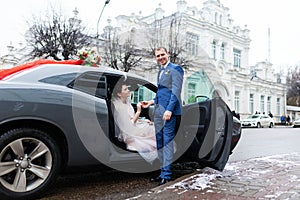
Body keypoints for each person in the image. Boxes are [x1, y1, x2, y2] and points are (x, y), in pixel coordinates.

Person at [142, 47, 184, 186]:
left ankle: (167, 175)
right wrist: (151, 102)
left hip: (168, 113)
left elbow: (175, 92)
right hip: (158, 112)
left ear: (168, 54)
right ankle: (161, 172)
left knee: (167, 143)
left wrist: (169, 110)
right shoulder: (160, 71)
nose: (160, 57)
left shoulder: (176, 69)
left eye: (162, 55)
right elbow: (162, 92)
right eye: (158, 56)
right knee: (159, 143)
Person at [111, 82, 157, 163]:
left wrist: (143, 120)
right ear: (119, 93)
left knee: (151, 125)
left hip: (133, 126)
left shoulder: (126, 102)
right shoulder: (119, 107)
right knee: (153, 132)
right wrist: (138, 111)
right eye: (125, 89)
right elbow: (130, 124)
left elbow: (131, 118)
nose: (129, 90)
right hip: (128, 132)